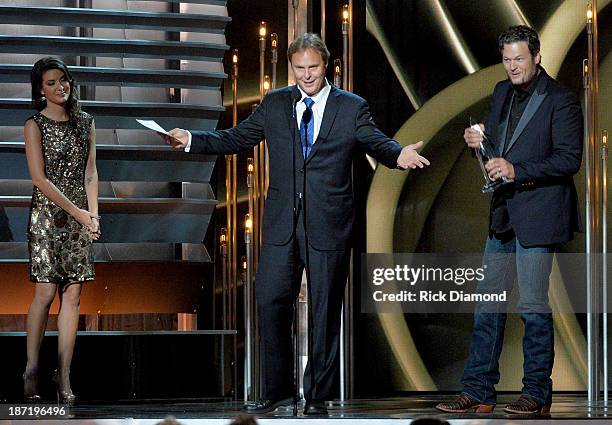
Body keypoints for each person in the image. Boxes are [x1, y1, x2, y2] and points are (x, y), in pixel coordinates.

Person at [163, 33, 429, 415]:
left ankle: (317, 397)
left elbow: (375, 141)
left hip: (329, 225)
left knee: (324, 313)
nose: (306, 76)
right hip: (280, 227)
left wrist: (397, 154)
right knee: (271, 303)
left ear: (327, 65)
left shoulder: (351, 107)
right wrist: (191, 139)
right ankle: (279, 395)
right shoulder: (275, 104)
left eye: (313, 68)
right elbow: (237, 137)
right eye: (299, 68)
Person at [436, 25, 582, 415]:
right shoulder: (501, 92)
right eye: (506, 60)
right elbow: (497, 150)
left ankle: (537, 394)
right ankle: (479, 391)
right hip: (503, 213)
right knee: (488, 306)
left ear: (536, 57)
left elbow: (569, 159)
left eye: (519, 59)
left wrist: (518, 170)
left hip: (539, 214)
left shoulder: (560, 100)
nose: (513, 66)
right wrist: (478, 143)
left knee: (532, 306)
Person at [22, 57, 100, 404]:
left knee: (74, 295)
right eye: (51, 82)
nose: (60, 87)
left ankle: (64, 374)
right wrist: (79, 212)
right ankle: (31, 368)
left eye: (63, 80)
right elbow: (39, 179)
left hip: (80, 219)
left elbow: (91, 173)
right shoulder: (34, 124)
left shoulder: (85, 122)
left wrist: (93, 216)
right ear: (41, 89)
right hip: (47, 217)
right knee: (45, 293)